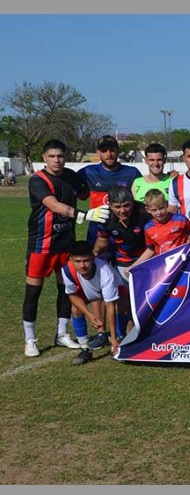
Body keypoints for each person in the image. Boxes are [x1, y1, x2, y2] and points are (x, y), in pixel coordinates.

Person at [22, 139, 102, 357]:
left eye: (60, 156)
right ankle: (30, 339)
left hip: (66, 244)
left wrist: (96, 181)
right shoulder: (38, 180)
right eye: (52, 156)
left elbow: (85, 193)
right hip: (42, 243)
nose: (56, 160)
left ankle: (61, 333)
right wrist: (83, 214)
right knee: (33, 292)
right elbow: (53, 205)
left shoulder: (71, 176)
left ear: (65, 157)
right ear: (44, 157)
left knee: (66, 290)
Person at [62, 241, 129, 366]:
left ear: (93, 258)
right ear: (71, 259)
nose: (82, 265)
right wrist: (89, 315)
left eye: (86, 261)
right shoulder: (67, 270)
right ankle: (85, 349)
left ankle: (120, 341)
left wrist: (113, 339)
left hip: (116, 289)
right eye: (78, 261)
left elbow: (110, 306)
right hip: (90, 291)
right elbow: (72, 295)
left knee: (121, 307)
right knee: (75, 309)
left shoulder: (105, 272)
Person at [78, 135, 141, 248]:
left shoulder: (132, 173)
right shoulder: (88, 172)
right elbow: (68, 183)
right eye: (104, 150)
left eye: (112, 150)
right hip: (96, 232)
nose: (109, 154)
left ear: (118, 151)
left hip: (124, 233)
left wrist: (169, 176)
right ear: (98, 152)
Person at [93, 186, 151, 279]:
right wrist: (93, 255)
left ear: (133, 202)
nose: (123, 211)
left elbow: (153, 246)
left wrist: (135, 265)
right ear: (110, 205)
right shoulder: (105, 216)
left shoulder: (145, 213)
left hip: (146, 258)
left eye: (126, 205)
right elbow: (102, 241)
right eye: (117, 207)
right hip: (122, 259)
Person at [129, 189, 190, 270]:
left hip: (184, 263)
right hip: (164, 268)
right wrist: (134, 265)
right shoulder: (148, 228)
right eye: (154, 210)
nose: (159, 212)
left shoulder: (181, 220)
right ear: (148, 210)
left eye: (161, 208)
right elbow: (151, 249)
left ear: (166, 204)